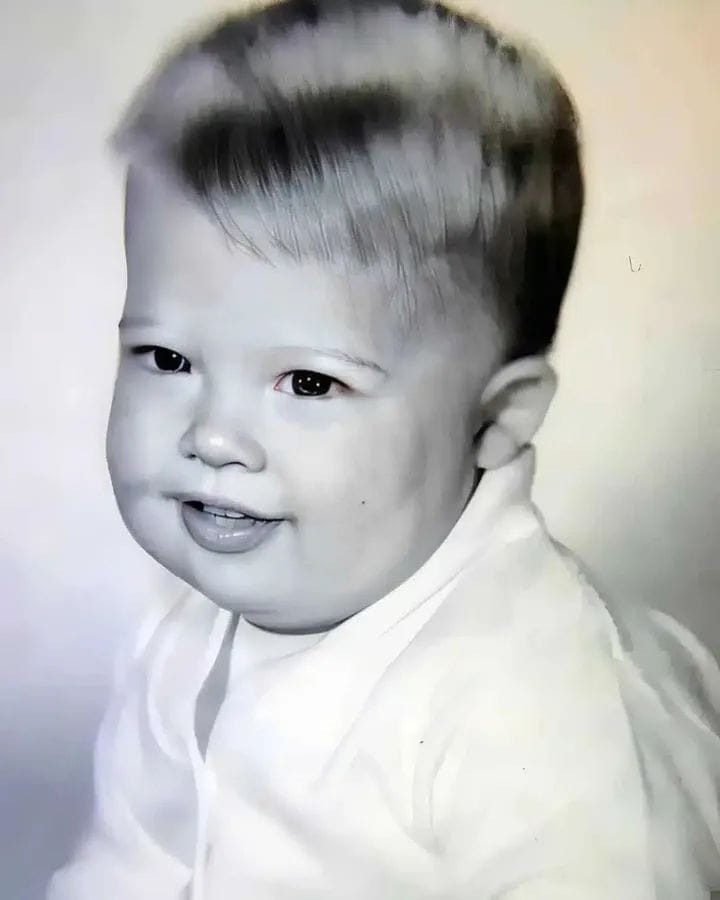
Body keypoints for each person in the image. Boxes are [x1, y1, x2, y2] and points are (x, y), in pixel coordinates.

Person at [48, 0, 720, 897]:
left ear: (497, 419)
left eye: (309, 383)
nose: (211, 437)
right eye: (168, 359)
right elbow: (130, 868)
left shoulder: (541, 707)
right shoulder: (192, 625)